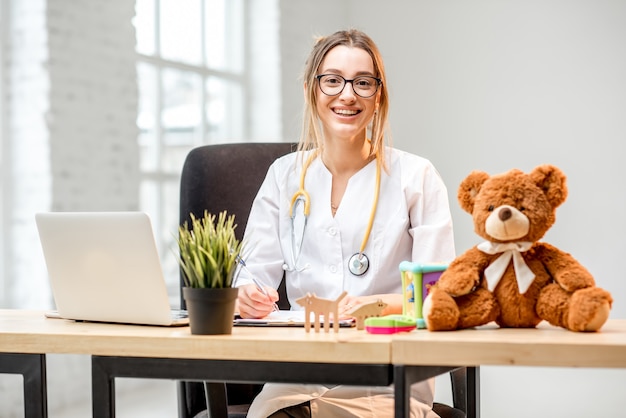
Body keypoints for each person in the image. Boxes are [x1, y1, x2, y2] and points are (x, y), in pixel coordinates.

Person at [235, 29, 455, 418]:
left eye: (363, 82)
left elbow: (438, 295)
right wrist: (248, 296)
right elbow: (252, 275)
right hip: (297, 380)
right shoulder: (285, 177)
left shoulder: (416, 177)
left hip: (388, 381)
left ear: (378, 95)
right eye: (332, 80)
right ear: (310, 90)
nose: (347, 94)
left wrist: (373, 306)